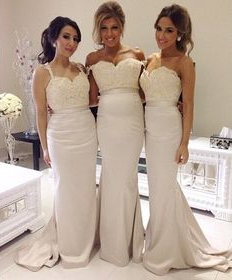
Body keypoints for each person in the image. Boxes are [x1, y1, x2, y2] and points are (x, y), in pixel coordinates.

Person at [140, 4, 232, 275]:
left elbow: (189, 105)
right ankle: (159, 240)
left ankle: (166, 249)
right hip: (149, 128)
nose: (162, 35)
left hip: (169, 129)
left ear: (180, 34)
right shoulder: (150, 60)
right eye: (159, 28)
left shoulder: (184, 63)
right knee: (158, 189)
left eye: (169, 30)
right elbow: (142, 96)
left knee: (165, 187)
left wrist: (184, 143)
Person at [15, 16, 98, 271]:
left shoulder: (83, 70)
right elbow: (41, 113)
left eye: (75, 38)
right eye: (66, 36)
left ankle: (87, 236)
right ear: (54, 38)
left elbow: (93, 101)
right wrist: (45, 146)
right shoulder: (42, 73)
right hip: (60, 134)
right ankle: (70, 243)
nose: (72, 43)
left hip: (86, 131)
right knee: (64, 188)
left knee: (85, 187)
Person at [86, 1, 145, 266]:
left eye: (114, 27)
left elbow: (146, 92)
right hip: (107, 122)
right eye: (104, 28)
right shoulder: (92, 59)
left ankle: (130, 241)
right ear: (98, 30)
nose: (109, 33)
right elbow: (90, 97)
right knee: (110, 175)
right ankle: (111, 242)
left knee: (127, 178)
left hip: (133, 121)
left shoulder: (137, 54)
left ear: (122, 28)